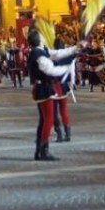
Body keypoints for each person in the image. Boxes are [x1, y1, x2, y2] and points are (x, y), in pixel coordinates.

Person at [26, 29, 78, 161]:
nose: (44, 36)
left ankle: (40, 151)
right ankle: (43, 151)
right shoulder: (38, 53)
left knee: (44, 120)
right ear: (38, 39)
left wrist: (76, 48)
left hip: (42, 87)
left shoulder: (40, 51)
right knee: (48, 120)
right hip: (43, 87)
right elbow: (50, 69)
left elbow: (58, 53)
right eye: (41, 35)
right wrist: (66, 69)